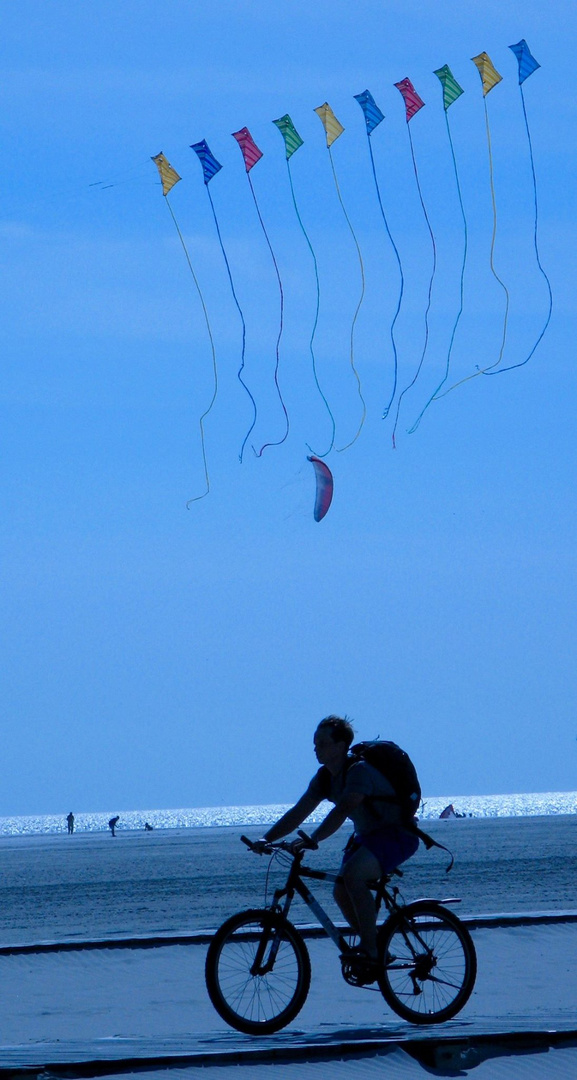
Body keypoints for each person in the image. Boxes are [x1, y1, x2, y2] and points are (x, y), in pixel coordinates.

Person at [256, 715, 419, 982]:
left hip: (397, 834)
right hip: (367, 837)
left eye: (322, 743)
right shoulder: (324, 778)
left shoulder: (359, 772)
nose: (316, 749)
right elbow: (299, 812)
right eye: (314, 744)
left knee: (353, 876)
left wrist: (315, 838)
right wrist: (266, 838)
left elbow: (344, 809)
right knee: (341, 890)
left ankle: (371, 950)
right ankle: (376, 945)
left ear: (341, 745)